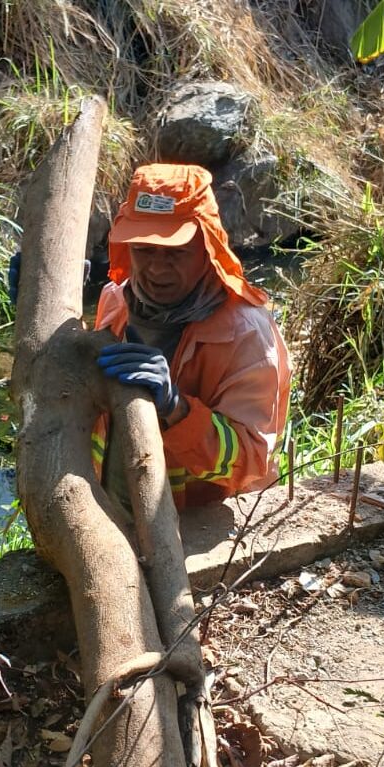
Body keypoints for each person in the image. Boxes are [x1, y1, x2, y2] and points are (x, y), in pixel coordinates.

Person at [92, 162, 291, 508]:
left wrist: (177, 408)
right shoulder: (115, 300)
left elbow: (249, 461)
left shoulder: (247, 335)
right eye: (144, 249)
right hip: (114, 509)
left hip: (198, 525)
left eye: (175, 253)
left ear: (208, 248)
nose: (156, 268)